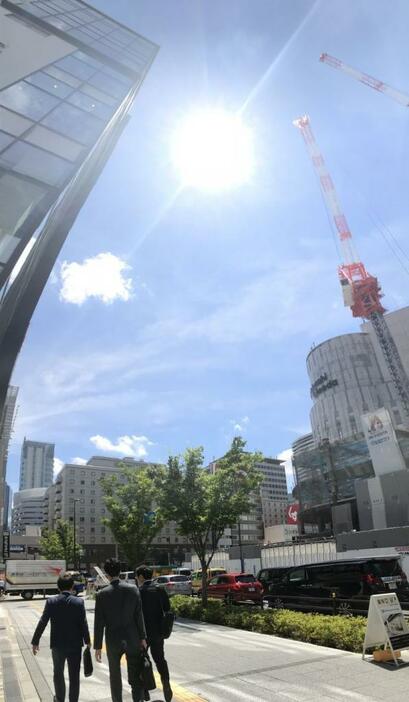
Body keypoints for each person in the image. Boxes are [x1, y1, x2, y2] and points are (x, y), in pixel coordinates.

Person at [31, 572, 91, 702]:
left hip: (57, 645)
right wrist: (88, 641)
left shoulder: (51, 602)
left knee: (58, 673)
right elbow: (83, 623)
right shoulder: (79, 602)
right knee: (74, 675)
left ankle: (59, 699)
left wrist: (35, 641)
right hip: (75, 645)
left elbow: (43, 622)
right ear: (72, 587)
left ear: (58, 587)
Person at [94, 558, 147, 702]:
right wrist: (143, 638)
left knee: (115, 675)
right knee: (135, 673)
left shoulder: (101, 594)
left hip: (113, 640)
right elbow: (138, 616)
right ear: (120, 572)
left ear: (106, 574)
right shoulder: (133, 589)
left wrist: (98, 646)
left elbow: (99, 622)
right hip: (133, 637)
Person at [136, 566, 173, 702]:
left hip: (143, 634)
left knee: (143, 660)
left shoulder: (138, 592)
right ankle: (166, 681)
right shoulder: (160, 589)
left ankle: (145, 690)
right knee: (160, 659)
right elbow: (167, 609)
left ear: (140, 577)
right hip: (158, 632)